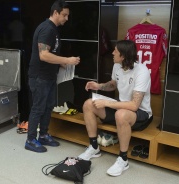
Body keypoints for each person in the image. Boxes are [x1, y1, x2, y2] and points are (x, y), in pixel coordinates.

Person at [78, 40, 152, 176]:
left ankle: (123, 159)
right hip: (120, 106)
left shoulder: (142, 71)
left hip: (140, 113)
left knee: (121, 115)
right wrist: (99, 86)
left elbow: (134, 105)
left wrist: (106, 103)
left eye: (115, 51)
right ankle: (94, 147)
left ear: (123, 55)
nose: (112, 53)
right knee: (88, 104)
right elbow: (113, 84)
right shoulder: (117, 66)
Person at [25, 0, 80, 153]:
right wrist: (67, 60)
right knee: (38, 108)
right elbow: (43, 55)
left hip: (49, 76)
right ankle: (30, 140)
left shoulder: (53, 29)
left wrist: (60, 64)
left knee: (48, 106)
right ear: (55, 13)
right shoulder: (47, 29)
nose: (66, 19)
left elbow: (51, 53)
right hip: (39, 77)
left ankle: (43, 135)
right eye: (64, 15)